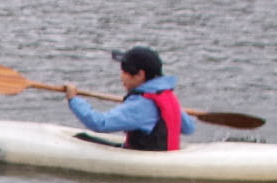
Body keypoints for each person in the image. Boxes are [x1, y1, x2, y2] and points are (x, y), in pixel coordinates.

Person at [60, 46, 197, 152]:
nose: (121, 77)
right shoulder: (167, 96)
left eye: (125, 71)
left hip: (147, 161)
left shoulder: (140, 105)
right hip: (162, 154)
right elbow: (188, 128)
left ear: (140, 75)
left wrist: (73, 99)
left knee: (81, 139)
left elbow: (100, 123)